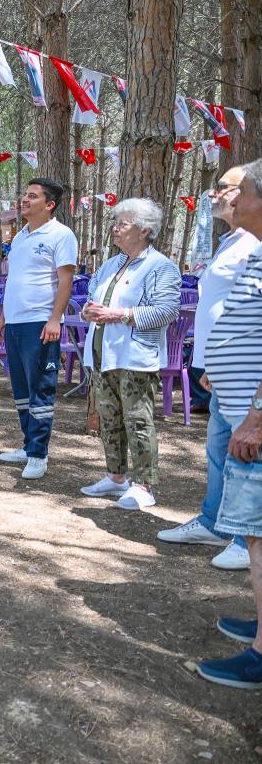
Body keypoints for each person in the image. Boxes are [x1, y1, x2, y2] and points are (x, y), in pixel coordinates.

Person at [158, 166, 258, 569]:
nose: (213, 193)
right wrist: (209, 360)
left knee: (243, 451)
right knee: (218, 448)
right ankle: (214, 521)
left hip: (249, 371)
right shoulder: (231, 240)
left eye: (224, 187)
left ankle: (243, 533)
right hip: (220, 365)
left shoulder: (255, 243)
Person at [196, 157, 262, 690]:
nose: (230, 199)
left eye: (240, 191)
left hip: (255, 414)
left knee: (259, 533)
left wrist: (257, 417)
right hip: (238, 398)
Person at [75, 198, 181, 511]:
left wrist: (119, 314)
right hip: (103, 355)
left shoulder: (160, 266)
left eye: (123, 224)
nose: (115, 229)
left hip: (135, 356)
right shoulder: (111, 263)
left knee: (137, 420)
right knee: (109, 419)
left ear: (145, 230)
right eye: (116, 223)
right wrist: (88, 312)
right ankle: (115, 476)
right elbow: (93, 299)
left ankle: (143, 485)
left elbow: (166, 310)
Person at [0, 178, 77, 479]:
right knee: (21, 389)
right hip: (15, 322)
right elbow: (14, 281)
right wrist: (3, 317)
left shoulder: (61, 235)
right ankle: (29, 445)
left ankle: (39, 454)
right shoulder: (19, 237)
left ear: (49, 204)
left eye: (32, 196)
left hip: (40, 322)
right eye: (24, 194)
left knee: (41, 386)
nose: (24, 200)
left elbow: (65, 281)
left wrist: (55, 319)